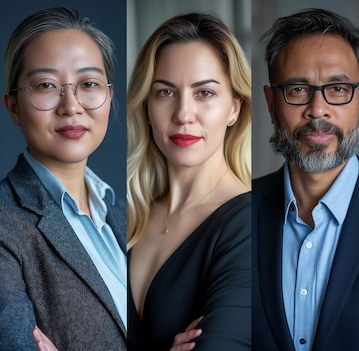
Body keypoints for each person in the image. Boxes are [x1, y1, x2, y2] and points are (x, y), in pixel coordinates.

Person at [0, 7, 126, 350]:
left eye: (88, 84)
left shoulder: (126, 213)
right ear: (13, 106)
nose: (71, 105)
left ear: (109, 96)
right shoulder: (4, 224)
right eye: (46, 85)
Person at [126, 12, 251, 351]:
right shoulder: (123, 217)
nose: (183, 114)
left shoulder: (249, 225)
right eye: (165, 92)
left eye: (204, 93)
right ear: (147, 107)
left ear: (234, 108)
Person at [252, 8, 359, 351]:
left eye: (337, 88)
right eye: (297, 89)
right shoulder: (233, 213)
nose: (318, 109)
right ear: (271, 103)